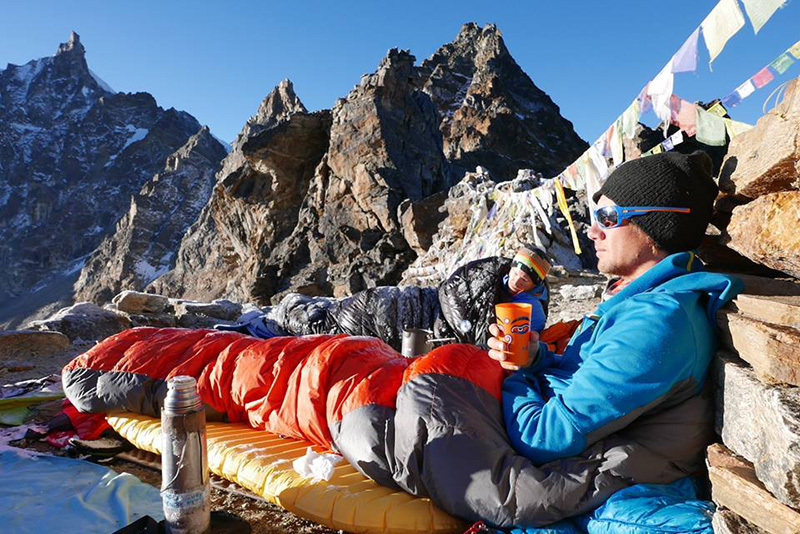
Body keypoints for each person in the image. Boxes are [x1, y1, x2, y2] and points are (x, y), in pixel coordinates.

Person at [487, 151, 742, 528]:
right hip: (604, 477)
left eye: (609, 218)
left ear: (658, 228)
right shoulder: (637, 303)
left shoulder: (657, 322)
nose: (592, 231)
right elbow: (583, 375)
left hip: (620, 494)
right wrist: (535, 358)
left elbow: (544, 436)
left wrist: (516, 376)